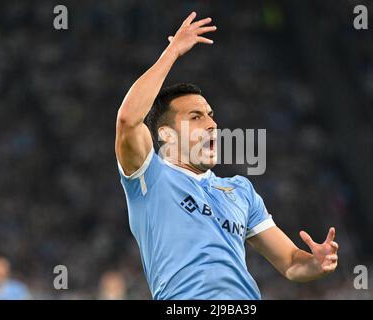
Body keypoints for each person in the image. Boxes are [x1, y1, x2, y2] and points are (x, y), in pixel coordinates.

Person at [115, 12, 339, 300]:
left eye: (211, 115)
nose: (211, 123)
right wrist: (172, 53)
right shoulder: (150, 177)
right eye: (195, 117)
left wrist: (316, 263)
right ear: (166, 134)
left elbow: (290, 263)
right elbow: (128, 121)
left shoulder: (240, 190)